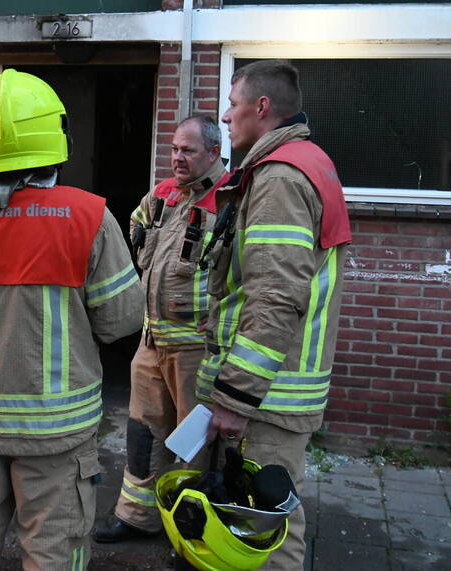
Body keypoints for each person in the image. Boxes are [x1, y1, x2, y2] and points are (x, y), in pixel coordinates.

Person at [0, 69, 143, 570]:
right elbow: (120, 321)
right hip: (57, 435)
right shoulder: (88, 217)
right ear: (56, 136)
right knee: (53, 554)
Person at [196, 60, 351, 570]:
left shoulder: (281, 177)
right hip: (278, 386)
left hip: (268, 393)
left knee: (267, 527)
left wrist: (237, 396)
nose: (224, 116)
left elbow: (275, 296)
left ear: (261, 108)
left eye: (233, 104)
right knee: (262, 514)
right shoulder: (304, 161)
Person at [94, 115, 227, 543]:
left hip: (197, 353)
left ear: (213, 152)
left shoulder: (230, 203)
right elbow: (136, 226)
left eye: (188, 151)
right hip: (151, 344)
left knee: (192, 447)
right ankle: (137, 517)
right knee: (142, 437)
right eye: (173, 149)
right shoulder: (165, 195)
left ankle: (188, 532)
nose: (177, 158)